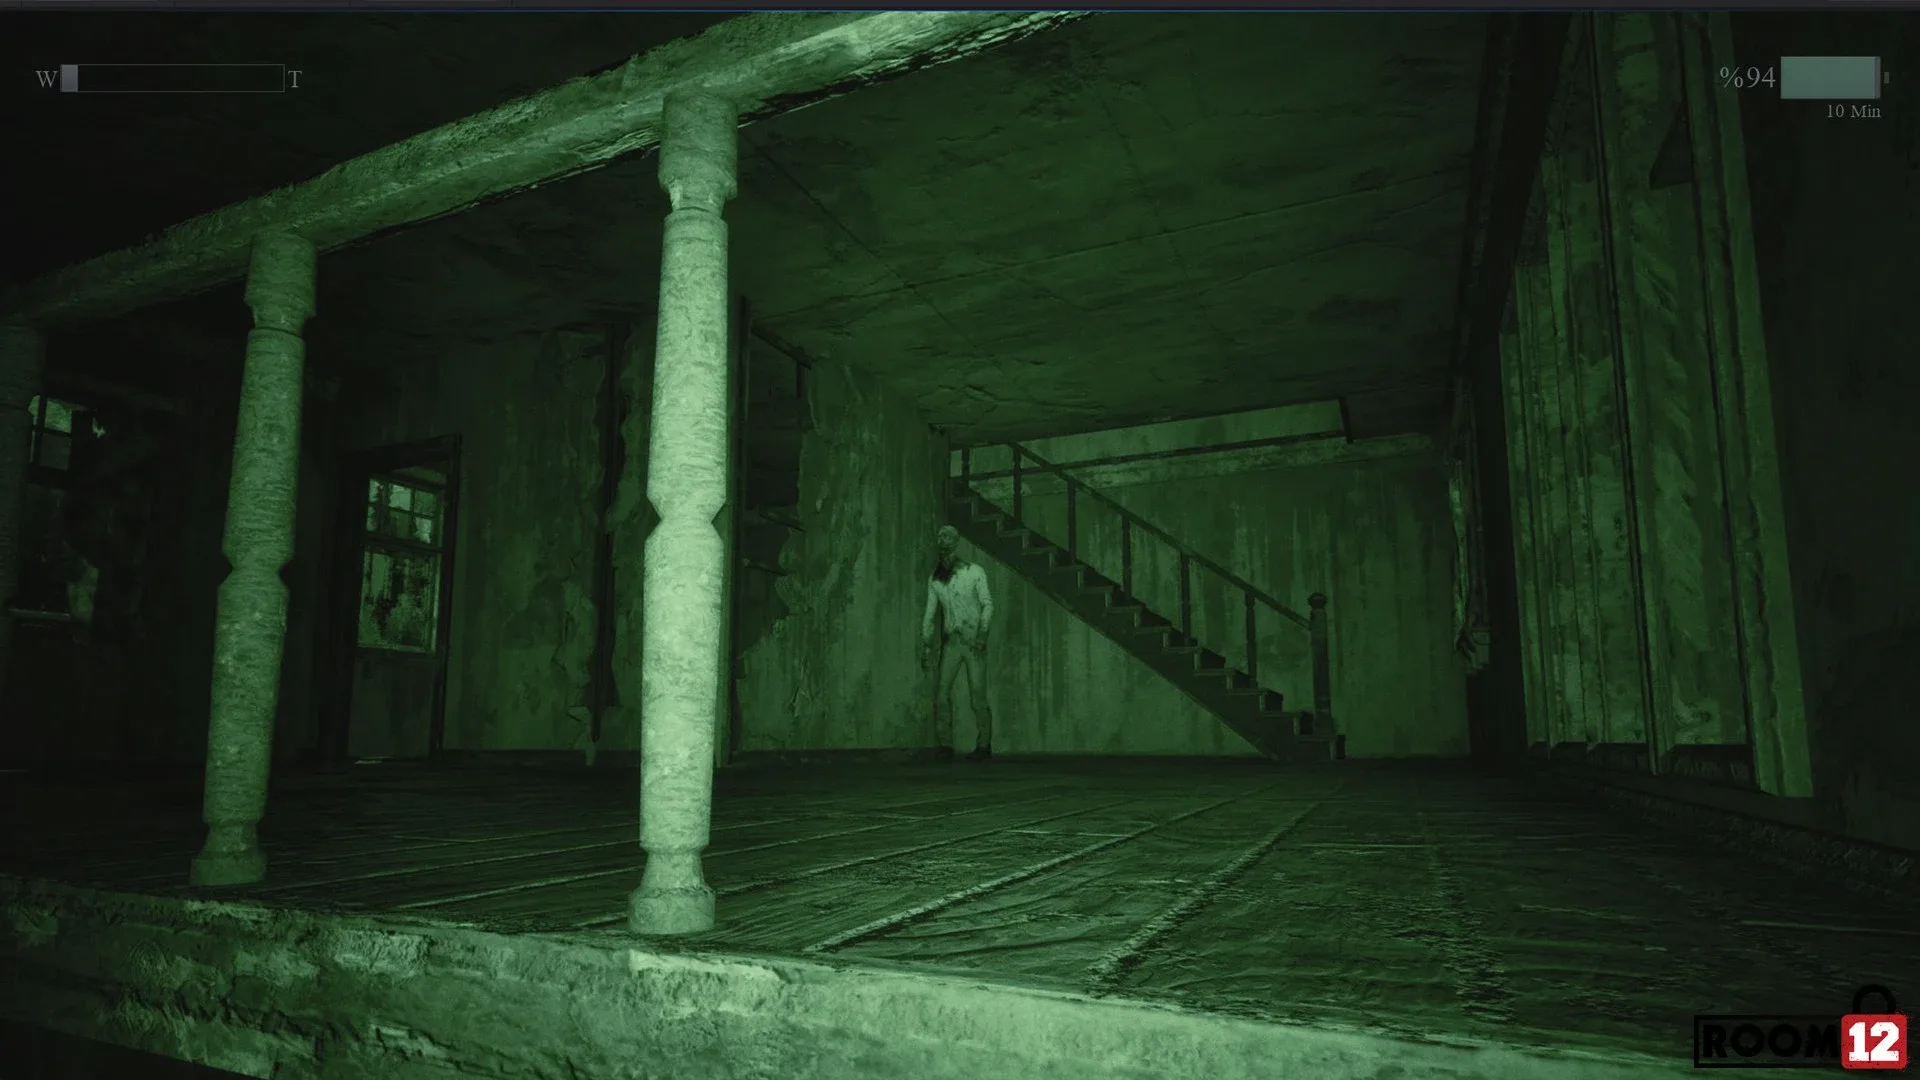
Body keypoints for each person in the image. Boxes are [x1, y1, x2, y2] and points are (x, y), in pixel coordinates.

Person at [921, 525, 994, 761]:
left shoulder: (974, 572)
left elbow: (988, 604)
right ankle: (945, 745)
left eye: (947, 537)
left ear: (956, 541)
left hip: (973, 642)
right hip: (952, 642)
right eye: (939, 537)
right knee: (941, 695)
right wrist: (926, 644)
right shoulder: (936, 579)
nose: (942, 541)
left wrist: (982, 634)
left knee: (978, 696)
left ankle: (984, 745)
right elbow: (929, 615)